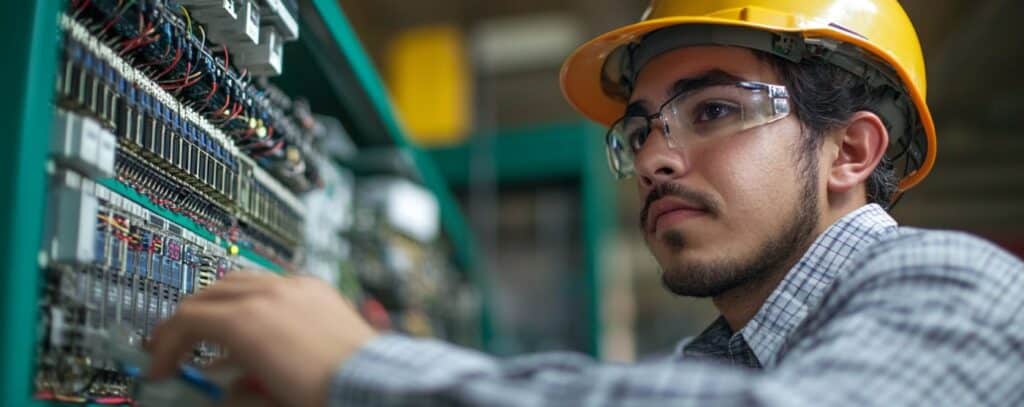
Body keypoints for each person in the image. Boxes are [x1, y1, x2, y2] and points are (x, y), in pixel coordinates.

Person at [147, 0, 1024, 405]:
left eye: (712, 111)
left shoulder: (960, 287)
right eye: (640, 130)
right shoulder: (715, 365)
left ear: (852, 150)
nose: (653, 158)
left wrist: (356, 365)